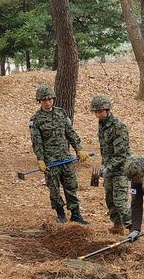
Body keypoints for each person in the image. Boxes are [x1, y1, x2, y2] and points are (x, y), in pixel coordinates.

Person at [29, 84, 87, 224]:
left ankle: (76, 214)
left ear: (53, 99)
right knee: (54, 190)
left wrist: (78, 149)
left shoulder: (61, 113)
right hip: (51, 161)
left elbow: (70, 133)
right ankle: (61, 214)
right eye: (44, 100)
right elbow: (37, 142)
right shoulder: (36, 119)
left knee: (71, 187)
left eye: (50, 99)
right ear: (39, 101)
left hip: (65, 158)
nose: (47, 102)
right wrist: (40, 159)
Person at [92, 94, 131, 234]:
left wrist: (107, 168)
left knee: (120, 201)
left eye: (100, 111)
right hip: (109, 169)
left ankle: (133, 228)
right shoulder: (102, 125)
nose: (98, 114)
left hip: (120, 170)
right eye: (95, 112)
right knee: (110, 200)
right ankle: (118, 225)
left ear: (107, 110)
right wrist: (104, 167)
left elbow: (121, 154)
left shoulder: (118, 127)